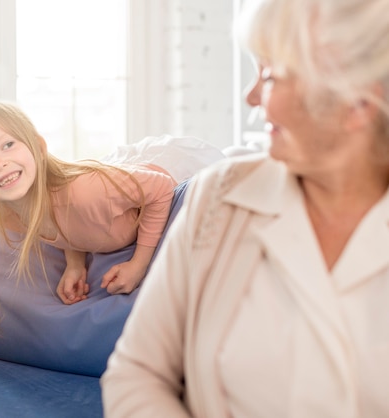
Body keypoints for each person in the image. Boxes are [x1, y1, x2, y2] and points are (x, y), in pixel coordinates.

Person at [101, 0, 389, 416]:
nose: (251, 96)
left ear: (359, 104)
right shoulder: (217, 197)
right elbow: (136, 372)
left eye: (271, 75)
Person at [0, 101, 184, 353]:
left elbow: (162, 189)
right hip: (115, 185)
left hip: (170, 167)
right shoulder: (10, 216)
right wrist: (75, 264)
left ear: (38, 146)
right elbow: (66, 223)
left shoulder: (88, 193)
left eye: (8, 144)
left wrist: (139, 264)